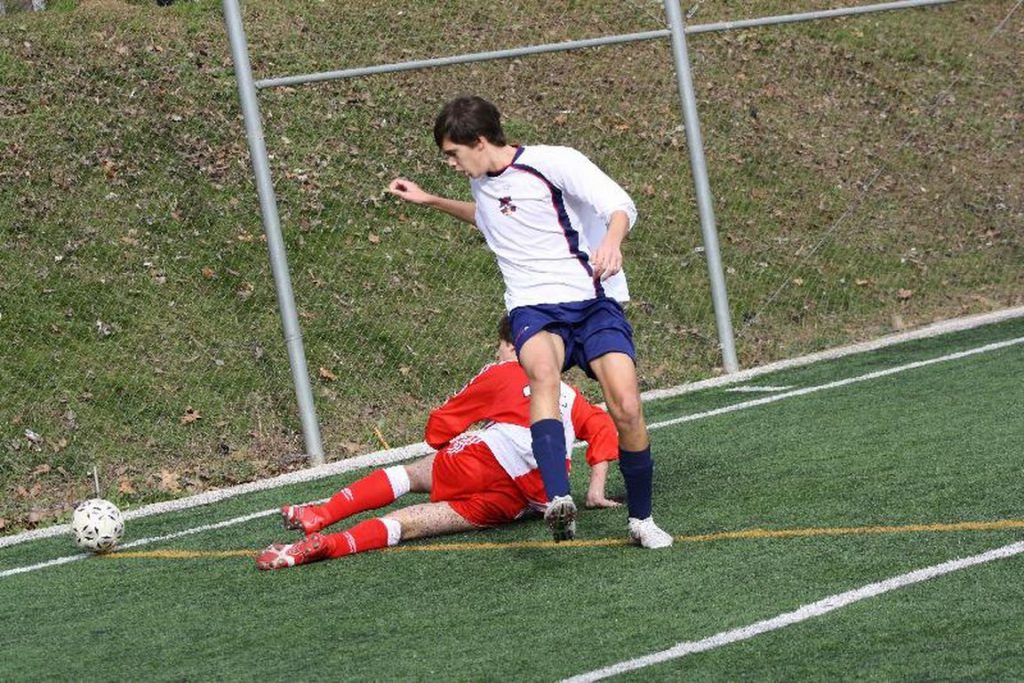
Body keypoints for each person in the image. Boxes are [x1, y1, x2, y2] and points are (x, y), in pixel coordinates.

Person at [386, 96, 672, 548]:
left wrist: (613, 243)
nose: (452, 164)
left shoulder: (552, 162)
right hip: (534, 307)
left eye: (453, 154)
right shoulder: (483, 182)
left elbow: (619, 204)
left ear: (479, 142)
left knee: (627, 406)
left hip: (592, 300)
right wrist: (431, 200)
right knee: (542, 376)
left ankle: (642, 519)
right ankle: (559, 499)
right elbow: (490, 220)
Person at [256, 316, 623, 570]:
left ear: (515, 346)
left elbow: (437, 430)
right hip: (526, 498)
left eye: (500, 345)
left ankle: (322, 515)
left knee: (412, 474)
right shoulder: (571, 394)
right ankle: (331, 546)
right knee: (408, 524)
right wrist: (595, 490)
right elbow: (603, 427)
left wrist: (456, 441)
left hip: (491, 458)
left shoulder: (503, 371)